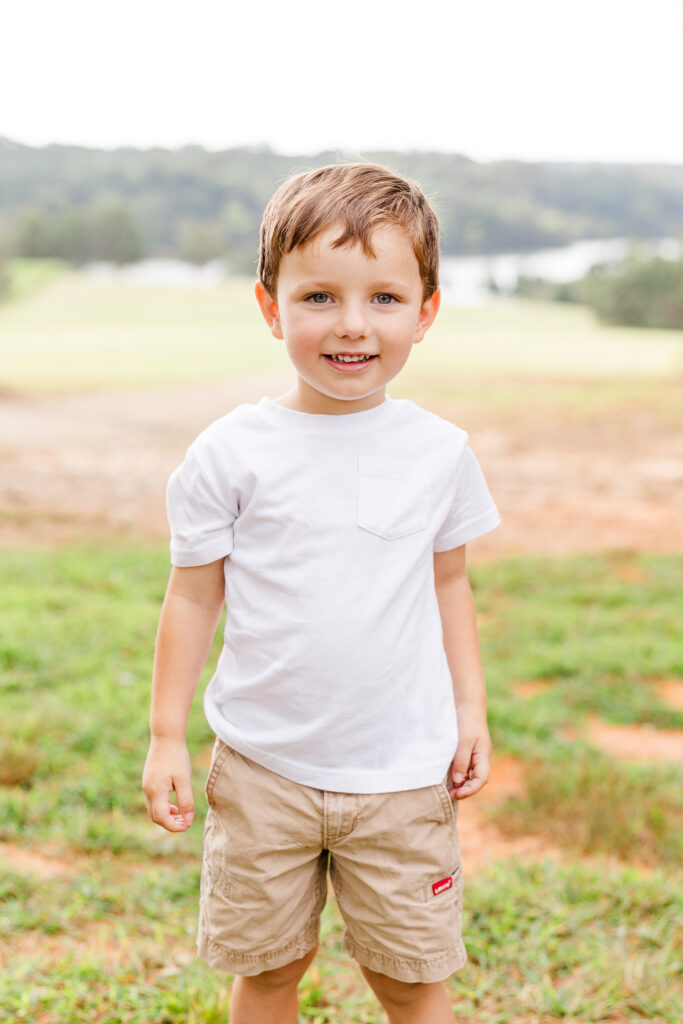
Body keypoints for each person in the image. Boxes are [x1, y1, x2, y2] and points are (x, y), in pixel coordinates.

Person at [142, 161, 501, 1024]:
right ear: (271, 308)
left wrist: (471, 709)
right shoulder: (230, 454)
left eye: (383, 298)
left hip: (403, 776)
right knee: (268, 972)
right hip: (262, 769)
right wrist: (165, 737)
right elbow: (192, 598)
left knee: (412, 982)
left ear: (426, 311)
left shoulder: (438, 451)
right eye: (318, 298)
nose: (351, 325)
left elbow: (448, 584)